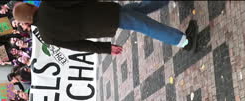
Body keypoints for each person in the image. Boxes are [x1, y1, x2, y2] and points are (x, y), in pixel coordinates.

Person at [13, 1, 198, 54]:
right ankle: (183, 41)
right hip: (103, 13)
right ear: (31, 7)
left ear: (27, 22)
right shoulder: (48, 5)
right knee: (144, 25)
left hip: (101, 26)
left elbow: (79, 46)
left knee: (136, 10)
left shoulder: (46, 36)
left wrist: (105, 48)